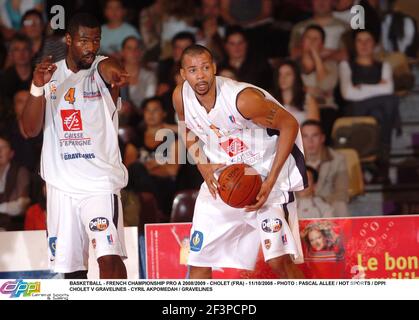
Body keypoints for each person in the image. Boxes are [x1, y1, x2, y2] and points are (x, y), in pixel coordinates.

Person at [172, 44, 308, 279]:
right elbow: (186, 127)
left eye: (205, 67)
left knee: (279, 261)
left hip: (264, 176)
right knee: (198, 261)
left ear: (214, 68)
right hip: (224, 180)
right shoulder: (180, 96)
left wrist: (271, 180)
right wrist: (201, 163)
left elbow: (290, 124)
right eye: (193, 70)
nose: (201, 75)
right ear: (184, 74)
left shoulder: (242, 99)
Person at [21, 13, 129, 279]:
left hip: (99, 185)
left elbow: (110, 68)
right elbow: (29, 130)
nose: (91, 47)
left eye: (96, 40)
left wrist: (116, 74)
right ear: (69, 40)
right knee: (72, 273)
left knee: (109, 259)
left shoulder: (102, 68)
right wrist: (36, 87)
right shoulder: (50, 74)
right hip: (61, 188)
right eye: (83, 40)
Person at [301, 120, 349, 216]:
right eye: (305, 136)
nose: (310, 141)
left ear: (322, 138)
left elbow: (342, 192)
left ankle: (342, 231)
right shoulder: (293, 160)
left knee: (340, 205)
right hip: (300, 203)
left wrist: (318, 202)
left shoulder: (337, 159)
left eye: (314, 135)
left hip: (328, 203)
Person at [0, 133, 31, 231]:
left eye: (3, 147)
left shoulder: (21, 172)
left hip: (12, 226)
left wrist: (2, 207)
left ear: (11, 153)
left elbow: (21, 205)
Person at [275, 59, 320, 125]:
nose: (283, 78)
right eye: (280, 74)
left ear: (296, 77)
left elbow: (313, 129)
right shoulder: (270, 99)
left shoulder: (308, 100)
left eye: (288, 74)